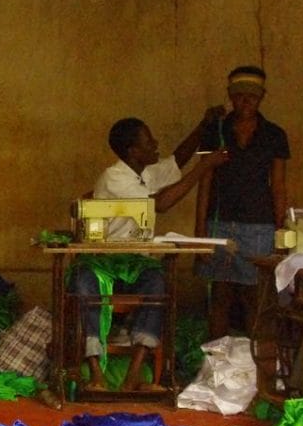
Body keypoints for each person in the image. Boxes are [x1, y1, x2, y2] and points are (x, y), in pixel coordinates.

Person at [75, 114, 228, 391]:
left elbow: (176, 161)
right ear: (133, 152)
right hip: (105, 261)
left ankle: (135, 374)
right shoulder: (115, 177)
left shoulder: (143, 173)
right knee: (85, 285)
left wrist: (202, 126)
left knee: (158, 284)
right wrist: (204, 167)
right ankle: (95, 375)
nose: (156, 144)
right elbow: (163, 204)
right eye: (149, 141)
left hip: (135, 263)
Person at [195, 65, 290, 340]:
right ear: (230, 96)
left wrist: (281, 234)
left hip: (260, 227)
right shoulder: (216, 131)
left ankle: (256, 367)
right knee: (220, 298)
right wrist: (200, 232)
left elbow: (279, 188)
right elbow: (204, 182)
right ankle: (215, 363)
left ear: (262, 97)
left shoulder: (274, 135)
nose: (245, 101)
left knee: (256, 299)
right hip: (219, 224)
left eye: (252, 96)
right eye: (239, 96)